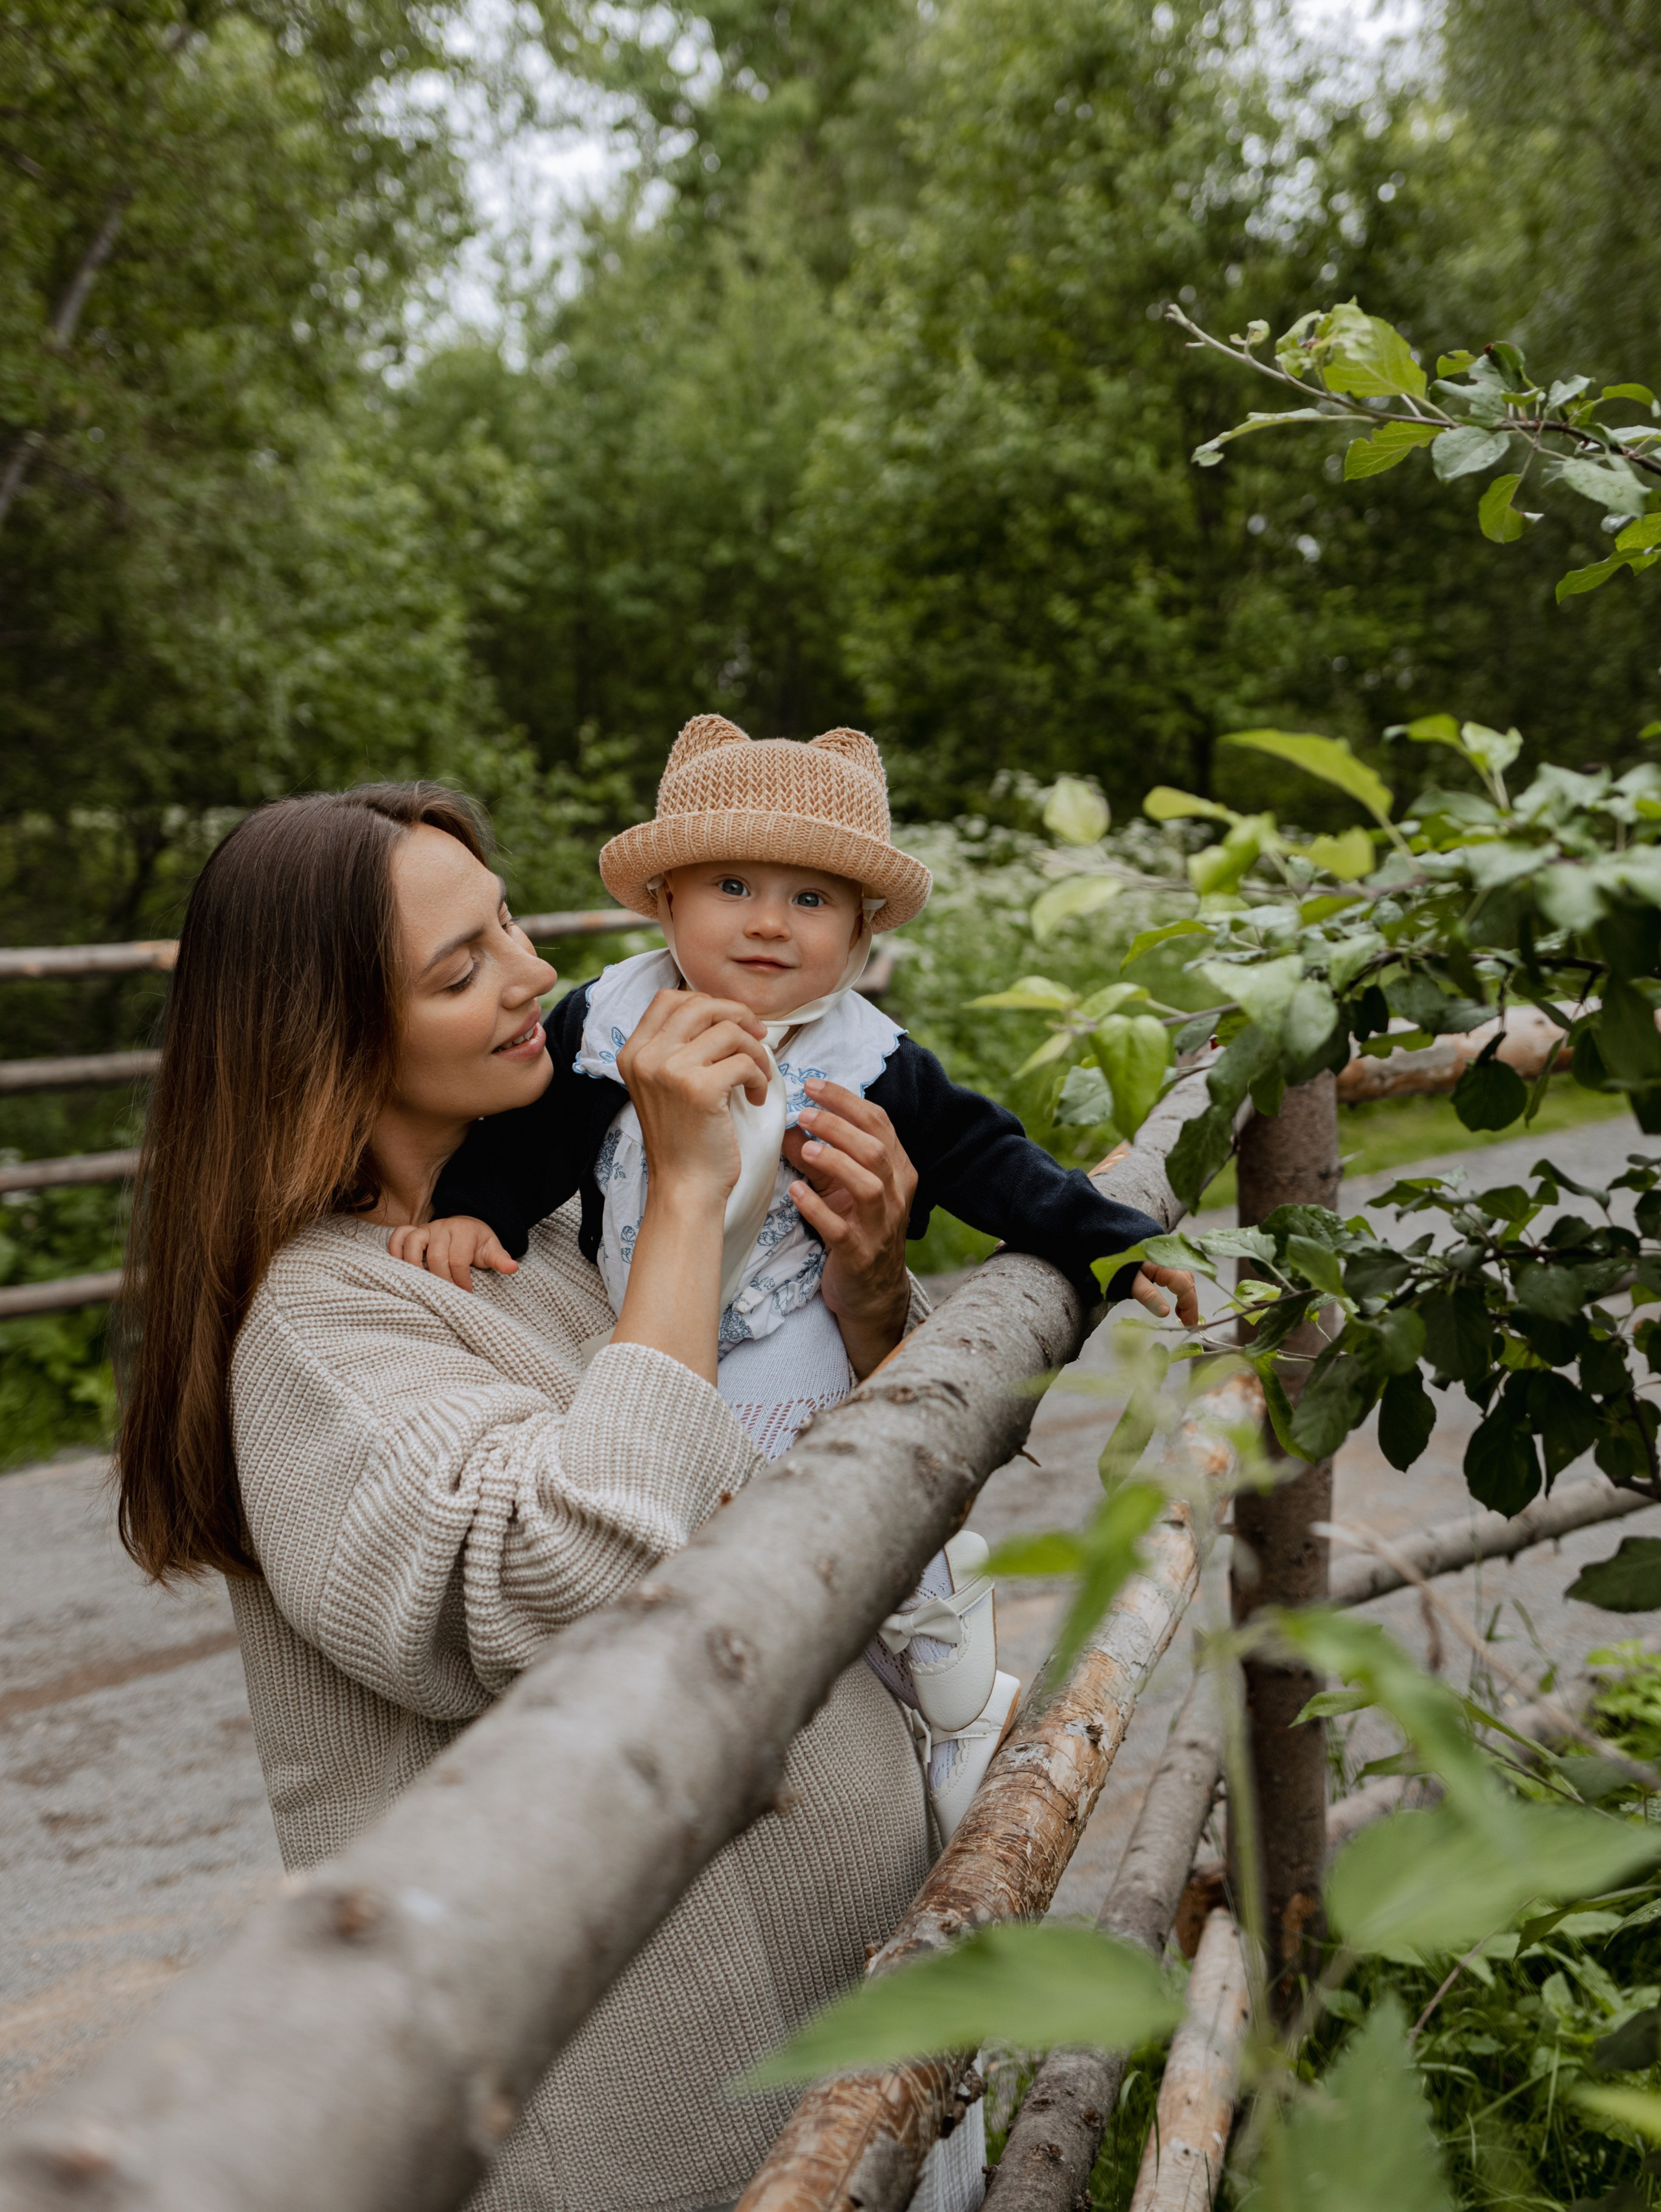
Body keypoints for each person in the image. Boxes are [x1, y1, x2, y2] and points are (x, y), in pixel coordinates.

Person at [114, 781, 956, 2212]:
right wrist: (691, 1199)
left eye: (508, 924)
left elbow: (827, 1466)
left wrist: (868, 1294)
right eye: (461, 971)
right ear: (326, 1041)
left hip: (853, 2027)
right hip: (654, 2122)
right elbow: (552, 1590)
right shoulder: (322, 1327)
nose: (532, 976)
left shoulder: (553, 1222)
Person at [398, 718, 1197, 1840]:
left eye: (812, 899)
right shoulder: (606, 1022)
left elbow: (993, 1164)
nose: (770, 922)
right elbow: (531, 1148)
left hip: (795, 1342)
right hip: (650, 1333)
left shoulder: (870, 1060)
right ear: (665, 900)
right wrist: (474, 1214)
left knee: (859, 1515)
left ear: (862, 929)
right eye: (733, 886)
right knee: (701, 1542)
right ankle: (751, 1752)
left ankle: (957, 1697)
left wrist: (1114, 1241)